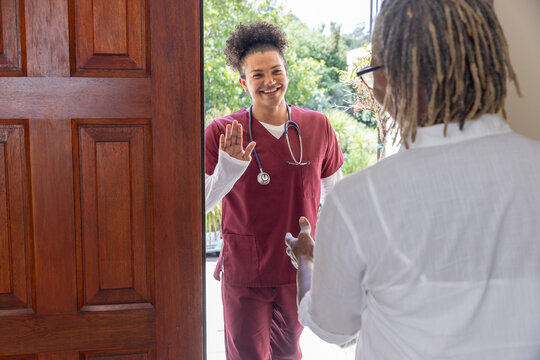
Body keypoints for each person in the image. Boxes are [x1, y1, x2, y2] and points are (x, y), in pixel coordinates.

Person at [285, 0, 540, 359]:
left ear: (394, 77)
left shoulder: (360, 199)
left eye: (373, 73)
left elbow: (333, 326)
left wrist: (308, 263)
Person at [205, 20, 344, 359]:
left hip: (296, 269)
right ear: (243, 82)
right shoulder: (222, 132)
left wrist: (327, 256)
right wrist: (228, 170)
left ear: (286, 71)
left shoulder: (317, 126)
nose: (269, 81)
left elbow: (335, 199)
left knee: (289, 355)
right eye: (257, 75)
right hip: (245, 270)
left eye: (275, 70)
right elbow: (197, 204)